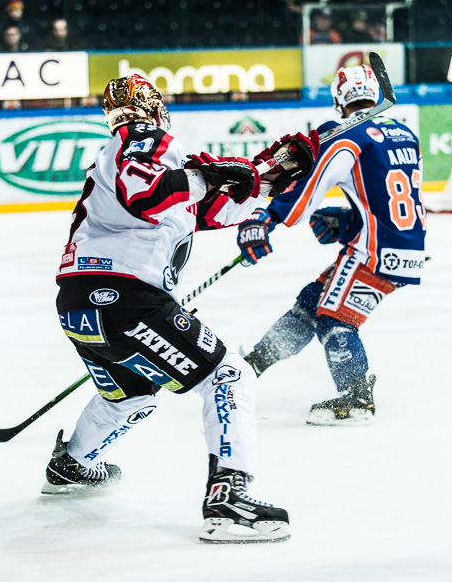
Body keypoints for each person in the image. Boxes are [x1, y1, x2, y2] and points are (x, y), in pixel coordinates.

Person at [45, 74, 319, 543]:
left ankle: (73, 463)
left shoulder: (152, 167)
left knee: (131, 395)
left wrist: (272, 173)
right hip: (125, 298)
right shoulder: (140, 139)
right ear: (152, 107)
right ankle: (228, 498)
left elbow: (217, 209)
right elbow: (146, 193)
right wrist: (214, 173)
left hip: (79, 305)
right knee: (228, 374)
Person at [236, 64, 426, 426]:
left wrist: (267, 217)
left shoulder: (347, 132)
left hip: (371, 252)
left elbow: (312, 184)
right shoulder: (404, 133)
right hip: (403, 247)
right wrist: (346, 220)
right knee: (312, 301)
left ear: (339, 100)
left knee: (334, 319)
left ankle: (357, 398)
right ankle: (250, 368)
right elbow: (390, 199)